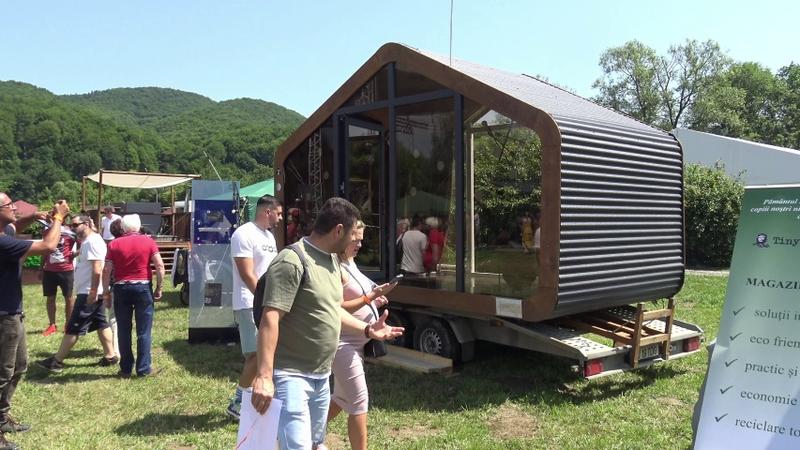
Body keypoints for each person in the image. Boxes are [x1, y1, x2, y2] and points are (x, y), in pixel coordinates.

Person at [250, 197, 403, 450]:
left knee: (313, 443)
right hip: (291, 376)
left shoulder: (332, 261)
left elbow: (332, 310)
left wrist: (367, 329)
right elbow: (270, 319)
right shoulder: (291, 261)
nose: (355, 241)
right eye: (352, 234)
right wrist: (264, 376)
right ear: (339, 230)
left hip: (321, 376)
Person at [0, 193, 70, 450]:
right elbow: (48, 246)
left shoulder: (4, 231)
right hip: (3, 315)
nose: (15, 208)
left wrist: (32, 216)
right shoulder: (2, 242)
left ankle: (2, 417)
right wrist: (58, 218)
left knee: (19, 366)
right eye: (9, 205)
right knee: (2, 373)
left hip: (12, 312)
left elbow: (13, 226)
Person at [324, 220, 392, 450]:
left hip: (358, 343)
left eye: (362, 239)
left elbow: (362, 294)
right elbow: (337, 307)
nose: (360, 244)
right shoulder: (334, 266)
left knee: (342, 399)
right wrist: (368, 299)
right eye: (356, 239)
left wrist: (376, 298)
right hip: (343, 344)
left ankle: (301, 432)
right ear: (342, 238)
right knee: (359, 401)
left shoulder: (351, 262)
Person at [37, 215, 118, 373]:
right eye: (71, 225)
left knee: (73, 328)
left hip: (89, 293)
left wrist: (93, 292)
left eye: (75, 225)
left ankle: (56, 362)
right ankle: (110, 356)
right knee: (102, 324)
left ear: (86, 224)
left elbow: (97, 269)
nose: (72, 228)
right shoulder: (87, 242)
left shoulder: (93, 241)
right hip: (91, 291)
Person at [227, 195, 282, 419]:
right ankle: (237, 404)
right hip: (250, 303)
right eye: (277, 213)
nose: (280, 218)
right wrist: (262, 300)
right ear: (266, 211)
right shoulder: (243, 234)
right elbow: (247, 273)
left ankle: (257, 401)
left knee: (266, 354)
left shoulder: (269, 236)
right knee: (257, 355)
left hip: (267, 303)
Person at [101, 214, 165, 378]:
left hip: (121, 287)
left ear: (123, 227)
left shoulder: (114, 244)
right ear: (138, 226)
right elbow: (159, 265)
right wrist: (159, 287)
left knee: (123, 330)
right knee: (144, 330)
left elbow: (107, 270)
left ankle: (126, 368)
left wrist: (106, 292)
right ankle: (143, 368)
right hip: (143, 286)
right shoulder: (148, 241)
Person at [40, 223, 77, 336]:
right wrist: (40, 268)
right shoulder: (47, 232)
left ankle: (68, 324)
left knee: (69, 298)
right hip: (49, 271)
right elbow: (44, 250)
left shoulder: (71, 233)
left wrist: (73, 255)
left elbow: (83, 245)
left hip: (66, 270)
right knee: (50, 298)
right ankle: (52, 324)